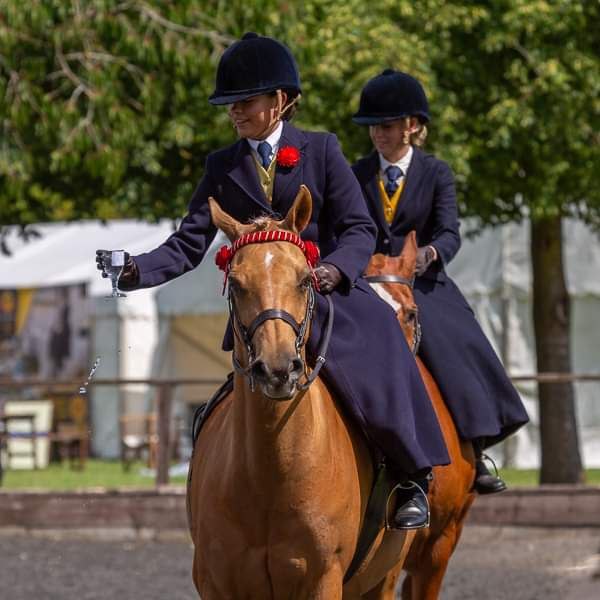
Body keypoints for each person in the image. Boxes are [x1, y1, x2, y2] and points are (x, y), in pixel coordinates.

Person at [97, 35, 449, 528]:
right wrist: (133, 270)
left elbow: (358, 228)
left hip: (323, 291)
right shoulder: (221, 166)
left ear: (280, 101)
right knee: (224, 402)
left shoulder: (322, 149)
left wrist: (333, 270)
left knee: (384, 337)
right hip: (260, 301)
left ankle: (414, 475)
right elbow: (188, 243)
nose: (234, 112)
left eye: (244, 102)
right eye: (229, 105)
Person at [351, 69, 530, 493]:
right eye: (374, 126)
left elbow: (450, 231)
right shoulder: (356, 173)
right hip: (371, 280)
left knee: (457, 341)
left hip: (423, 281)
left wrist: (428, 255)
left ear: (412, 126)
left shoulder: (437, 173)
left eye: (388, 126)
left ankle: (475, 444)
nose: (378, 134)